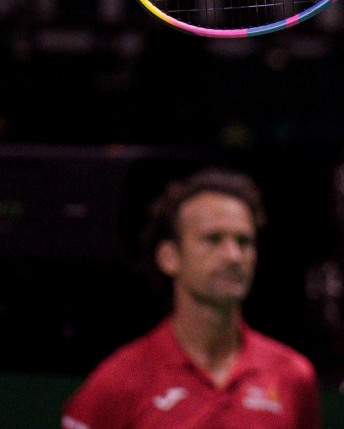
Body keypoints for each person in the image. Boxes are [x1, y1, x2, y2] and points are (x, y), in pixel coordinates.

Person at [62, 167, 320, 429]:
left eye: (244, 242)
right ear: (169, 257)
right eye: (213, 239)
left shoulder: (293, 377)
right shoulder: (116, 382)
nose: (233, 256)